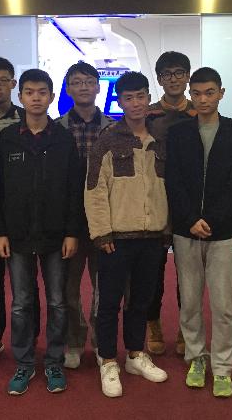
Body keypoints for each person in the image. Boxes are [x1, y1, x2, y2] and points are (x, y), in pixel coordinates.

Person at [166, 67, 232, 398]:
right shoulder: (179, 133)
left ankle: (222, 367)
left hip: (222, 231)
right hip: (186, 230)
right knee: (189, 302)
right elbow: (172, 179)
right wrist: (190, 218)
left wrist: (213, 219)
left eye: (210, 92)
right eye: (197, 93)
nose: (203, 99)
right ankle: (196, 358)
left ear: (221, 93)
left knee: (223, 304)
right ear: (191, 95)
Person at [0, 69, 82, 395]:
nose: (35, 98)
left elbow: (74, 188)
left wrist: (72, 232)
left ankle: (54, 361)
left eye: (42, 92)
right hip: (17, 235)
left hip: (56, 235)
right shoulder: (8, 138)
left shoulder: (63, 138)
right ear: (20, 97)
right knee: (21, 302)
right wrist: (0, 232)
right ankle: (24, 362)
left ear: (51, 97)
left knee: (58, 301)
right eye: (29, 92)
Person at [86, 71, 169, 398]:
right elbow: (94, 190)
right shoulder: (107, 141)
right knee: (108, 302)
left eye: (141, 96)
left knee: (141, 301)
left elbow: (167, 188)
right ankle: (107, 360)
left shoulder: (160, 141)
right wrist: (101, 233)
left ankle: (135, 354)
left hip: (152, 237)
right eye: (128, 98)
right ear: (120, 102)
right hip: (115, 239)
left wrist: (166, 229)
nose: (136, 103)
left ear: (148, 98)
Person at [0, 57, 41, 366]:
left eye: (3, 80)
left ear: (13, 83)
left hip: (24, 214)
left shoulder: (28, 119)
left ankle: (31, 338)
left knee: (27, 282)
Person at [56, 62, 114, 369]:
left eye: (89, 81)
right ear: (68, 89)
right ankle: (75, 341)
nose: (83, 87)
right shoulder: (56, 128)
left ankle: (101, 342)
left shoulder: (113, 128)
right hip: (69, 221)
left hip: (104, 219)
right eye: (77, 82)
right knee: (68, 289)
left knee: (105, 288)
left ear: (98, 87)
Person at [146, 51, 196, 356]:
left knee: (188, 273)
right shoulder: (149, 115)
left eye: (179, 73)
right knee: (153, 271)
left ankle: (186, 328)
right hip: (155, 200)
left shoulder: (199, 112)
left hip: (189, 203)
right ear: (159, 79)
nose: (173, 79)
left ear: (187, 76)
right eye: (167, 74)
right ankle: (152, 324)